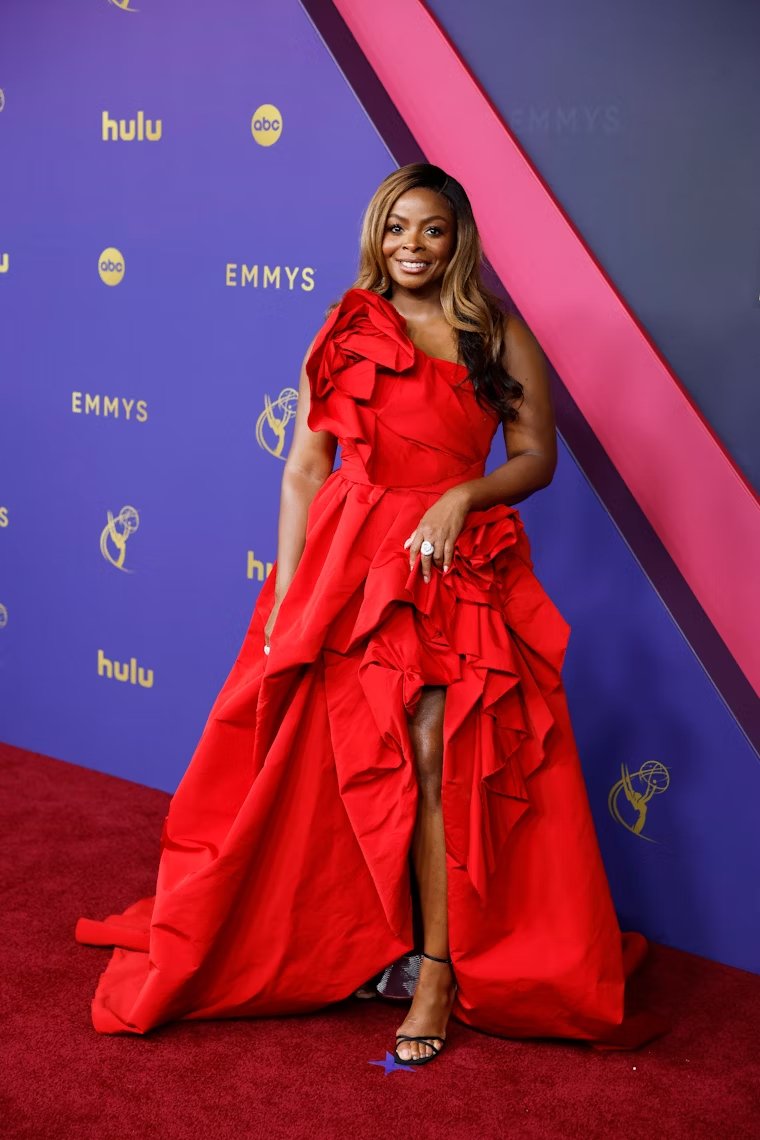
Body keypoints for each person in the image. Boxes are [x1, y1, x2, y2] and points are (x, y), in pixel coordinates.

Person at [75, 163, 665, 1065]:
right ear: (375, 237)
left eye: (430, 229)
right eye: (396, 229)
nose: (412, 247)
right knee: (335, 756)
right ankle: (359, 943)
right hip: (350, 564)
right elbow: (304, 469)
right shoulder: (347, 329)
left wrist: (464, 497)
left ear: (458, 236)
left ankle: (436, 971)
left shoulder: (494, 333)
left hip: (448, 565)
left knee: (436, 754)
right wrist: (287, 590)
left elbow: (537, 455)